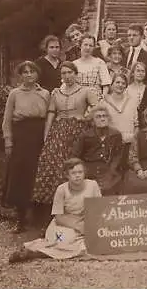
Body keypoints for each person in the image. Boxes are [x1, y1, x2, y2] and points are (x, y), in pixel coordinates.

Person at [9, 158, 102, 263]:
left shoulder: (92, 185)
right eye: (73, 173)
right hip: (64, 225)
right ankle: (34, 253)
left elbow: (98, 209)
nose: (77, 175)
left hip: (85, 222)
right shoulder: (62, 189)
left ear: (84, 173)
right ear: (67, 175)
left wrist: (88, 226)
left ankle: (37, 252)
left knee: (91, 244)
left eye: (80, 172)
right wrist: (77, 226)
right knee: (63, 241)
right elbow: (59, 217)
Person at [32, 61, 98, 205]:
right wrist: (47, 134)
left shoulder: (86, 91)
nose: (67, 76)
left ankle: (77, 202)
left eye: (70, 73)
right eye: (64, 73)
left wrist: (86, 118)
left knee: (75, 164)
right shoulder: (56, 93)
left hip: (78, 131)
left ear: (75, 74)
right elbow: (51, 113)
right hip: (59, 132)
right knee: (53, 163)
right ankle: (54, 203)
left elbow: (97, 107)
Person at [2, 61, 50, 233]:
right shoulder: (14, 93)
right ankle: (20, 219)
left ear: (37, 74)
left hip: (39, 136)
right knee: (19, 176)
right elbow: (7, 119)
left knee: (38, 174)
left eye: (32, 72)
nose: (29, 75)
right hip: (21, 136)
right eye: (25, 72)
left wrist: (47, 138)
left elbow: (49, 118)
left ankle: (39, 218)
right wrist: (8, 140)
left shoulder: (45, 93)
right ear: (20, 75)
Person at [71, 105, 124, 196]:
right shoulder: (85, 136)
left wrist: (111, 171)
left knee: (109, 189)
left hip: (108, 170)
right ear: (92, 121)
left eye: (104, 116)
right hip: (89, 171)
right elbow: (75, 156)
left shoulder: (116, 134)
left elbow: (117, 156)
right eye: (98, 117)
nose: (102, 119)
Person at [100, 74, 139, 145]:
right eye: (117, 82)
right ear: (112, 84)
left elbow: (136, 124)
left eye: (123, 83)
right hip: (110, 141)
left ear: (126, 86)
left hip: (128, 142)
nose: (120, 85)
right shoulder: (104, 103)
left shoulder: (132, 101)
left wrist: (133, 138)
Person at [73, 34, 112, 101]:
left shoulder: (100, 63)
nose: (88, 48)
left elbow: (106, 85)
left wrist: (102, 99)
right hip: (78, 100)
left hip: (96, 99)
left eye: (91, 45)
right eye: (85, 45)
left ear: (94, 47)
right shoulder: (74, 64)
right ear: (80, 46)